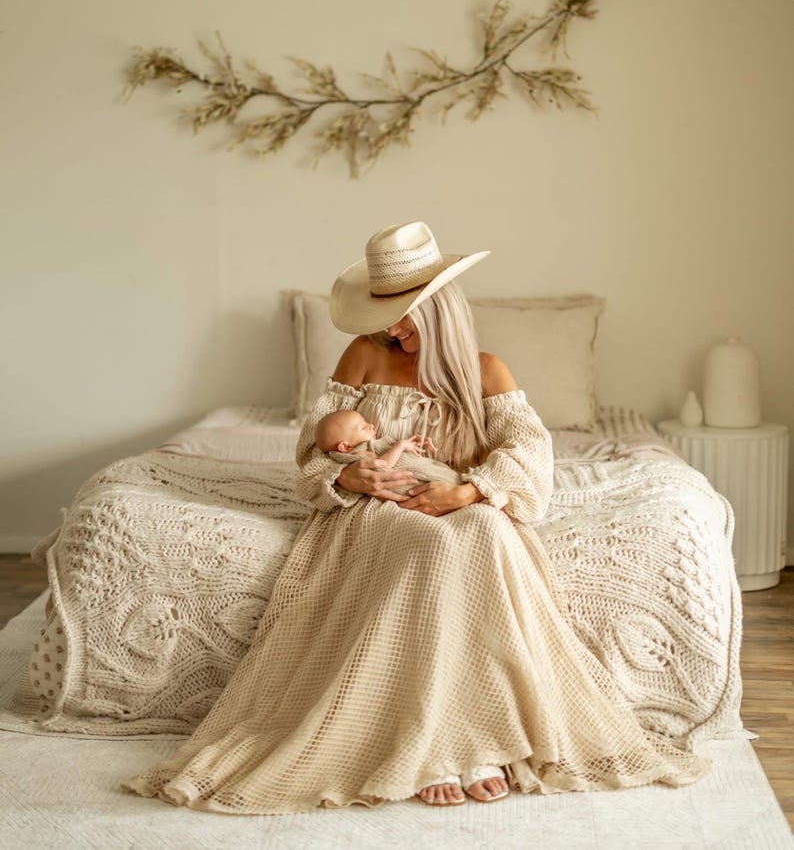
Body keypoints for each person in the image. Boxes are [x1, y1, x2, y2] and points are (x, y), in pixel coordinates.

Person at [124, 221, 709, 814]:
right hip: (374, 508)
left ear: (439, 310)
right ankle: (438, 745)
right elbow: (313, 449)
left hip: (461, 497)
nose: (392, 328)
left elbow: (528, 453)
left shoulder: (485, 371)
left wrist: (469, 493)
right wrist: (347, 475)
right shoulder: (363, 358)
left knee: (483, 533)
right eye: (385, 313)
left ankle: (480, 736)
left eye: (405, 313)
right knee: (430, 548)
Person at [315, 408, 462, 496]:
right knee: (443, 478)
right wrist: (400, 445)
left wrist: (408, 445)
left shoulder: (364, 448)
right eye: (363, 427)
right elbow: (383, 466)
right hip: (411, 480)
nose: (371, 425)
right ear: (345, 447)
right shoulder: (358, 455)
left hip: (416, 470)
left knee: (445, 475)